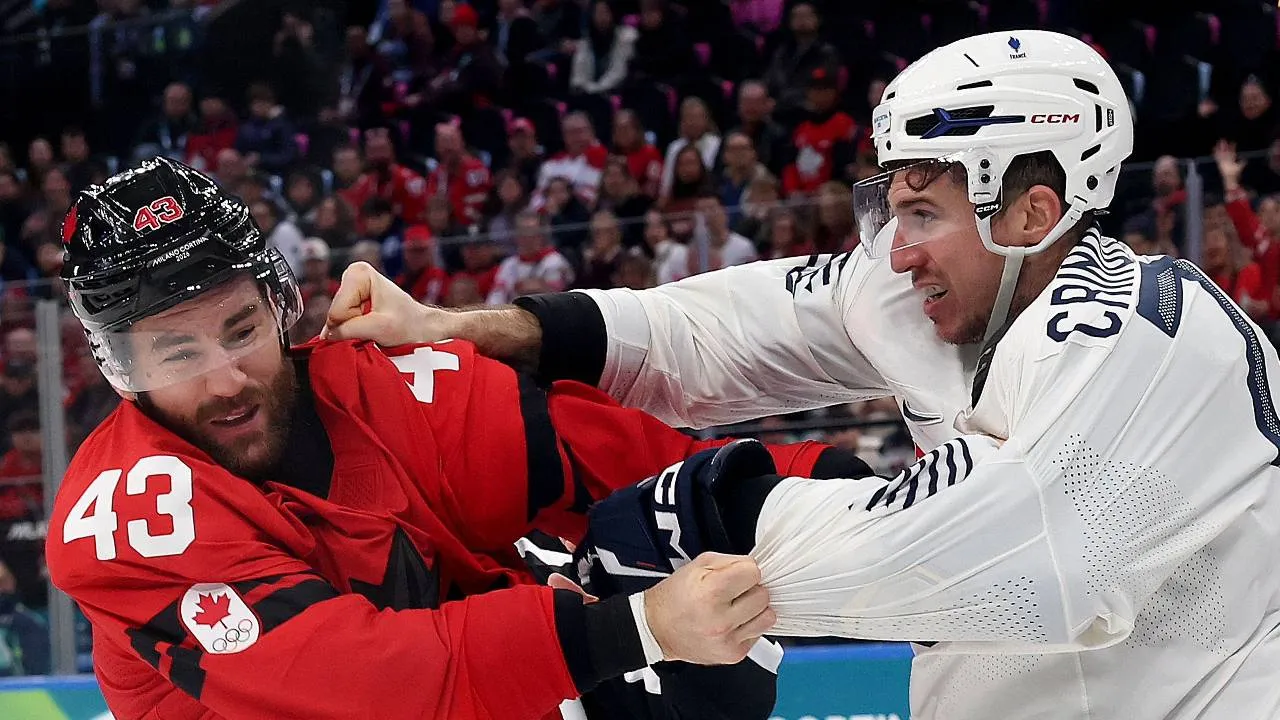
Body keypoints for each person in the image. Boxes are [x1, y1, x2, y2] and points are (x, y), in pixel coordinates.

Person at [324, 30, 1280, 719]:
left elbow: (1014, 554)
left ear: (1034, 212)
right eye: (891, 209)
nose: (895, 255)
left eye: (923, 213)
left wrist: (727, 510)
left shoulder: (1147, 325)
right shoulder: (943, 292)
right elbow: (710, 334)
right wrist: (469, 329)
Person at [48, 158, 866, 720]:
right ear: (122, 366)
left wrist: (847, 501)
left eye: (239, 330)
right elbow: (362, 688)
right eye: (178, 353)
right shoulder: (127, 516)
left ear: (277, 304)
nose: (225, 378)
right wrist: (641, 627)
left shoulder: (395, 385)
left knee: (664, 530)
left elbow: (642, 468)